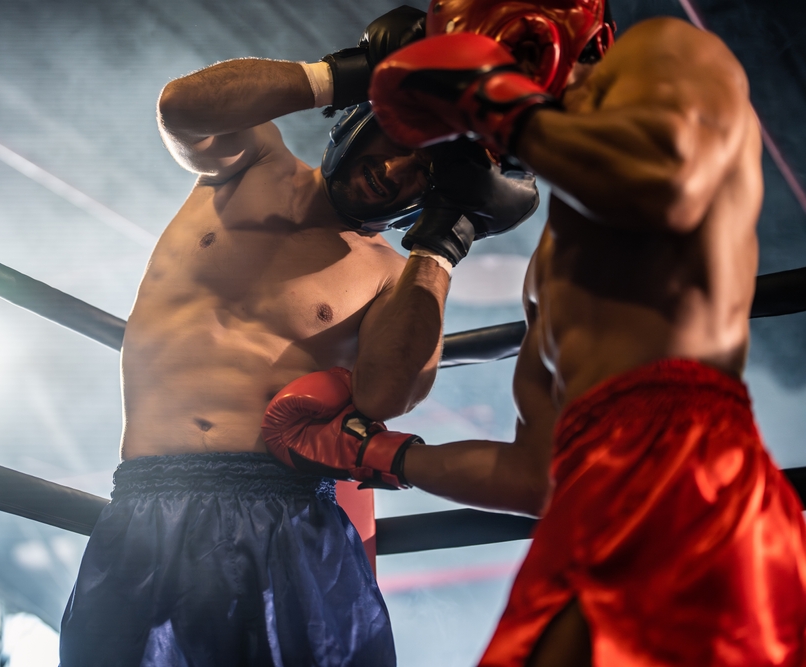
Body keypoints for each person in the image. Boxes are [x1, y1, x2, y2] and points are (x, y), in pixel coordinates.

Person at [263, 0, 806, 665]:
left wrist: (490, 101)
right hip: (590, 492)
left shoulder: (663, 52)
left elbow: (669, 181)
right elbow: (536, 474)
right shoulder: (550, 267)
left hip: (686, 467)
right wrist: (374, 452)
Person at [57, 6, 539, 666]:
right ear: (364, 120)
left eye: (424, 175)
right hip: (146, 504)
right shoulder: (251, 162)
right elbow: (183, 107)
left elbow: (388, 392)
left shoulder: (391, 274)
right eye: (399, 143)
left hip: (284, 516)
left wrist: (444, 242)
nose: (397, 170)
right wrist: (351, 73)